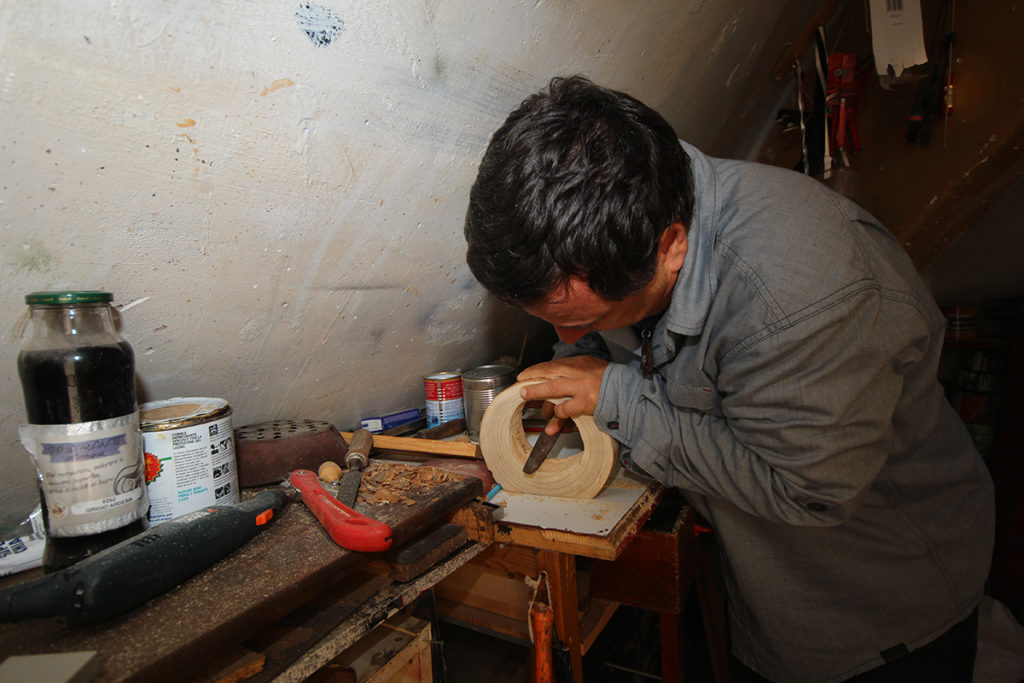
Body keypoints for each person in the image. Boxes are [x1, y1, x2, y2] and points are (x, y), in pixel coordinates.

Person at [463, 75, 995, 683]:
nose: (573, 340)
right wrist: (586, 350)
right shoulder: (639, 195)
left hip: (879, 609)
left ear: (670, 248)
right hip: (765, 588)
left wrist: (616, 396)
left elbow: (806, 491)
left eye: (587, 322)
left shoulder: (797, 299)